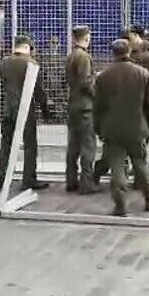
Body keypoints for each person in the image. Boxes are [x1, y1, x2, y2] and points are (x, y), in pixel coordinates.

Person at [94, 39, 149, 217]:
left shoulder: (103, 76)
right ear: (129, 51)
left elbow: (98, 107)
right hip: (137, 128)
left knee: (116, 166)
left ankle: (120, 205)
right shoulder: (142, 74)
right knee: (140, 163)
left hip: (113, 129)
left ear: (112, 52)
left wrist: (99, 129)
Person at [0, 35, 51, 192]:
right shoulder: (31, 64)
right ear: (27, 47)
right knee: (29, 145)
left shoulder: (4, 63)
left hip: (8, 108)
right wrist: (45, 108)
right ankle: (29, 179)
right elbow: (38, 90)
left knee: (6, 143)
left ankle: (2, 177)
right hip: (26, 109)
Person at [65, 25, 99, 194]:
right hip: (85, 106)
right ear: (87, 37)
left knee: (73, 145)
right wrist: (97, 96)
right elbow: (86, 82)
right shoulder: (84, 56)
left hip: (73, 104)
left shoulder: (71, 55)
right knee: (88, 145)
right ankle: (86, 183)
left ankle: (71, 180)